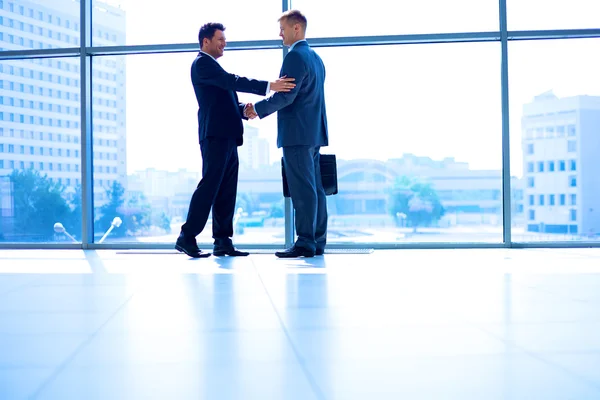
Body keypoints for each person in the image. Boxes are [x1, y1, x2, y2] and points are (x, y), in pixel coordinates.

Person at [175, 22, 296, 258]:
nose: (224, 43)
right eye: (219, 39)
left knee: (227, 190)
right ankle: (186, 237)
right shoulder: (202, 64)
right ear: (205, 42)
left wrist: (245, 109)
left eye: (224, 39)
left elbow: (225, 101)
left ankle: (222, 241)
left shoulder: (214, 69)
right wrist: (268, 86)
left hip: (228, 135)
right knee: (210, 186)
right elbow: (233, 81)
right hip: (215, 136)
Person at [246, 10, 328, 258]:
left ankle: (304, 242)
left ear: (296, 29)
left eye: (282, 28)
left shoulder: (294, 57)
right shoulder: (316, 58)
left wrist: (256, 110)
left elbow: (287, 95)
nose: (279, 33)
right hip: (313, 132)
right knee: (315, 188)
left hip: (297, 134)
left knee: (303, 190)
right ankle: (317, 240)